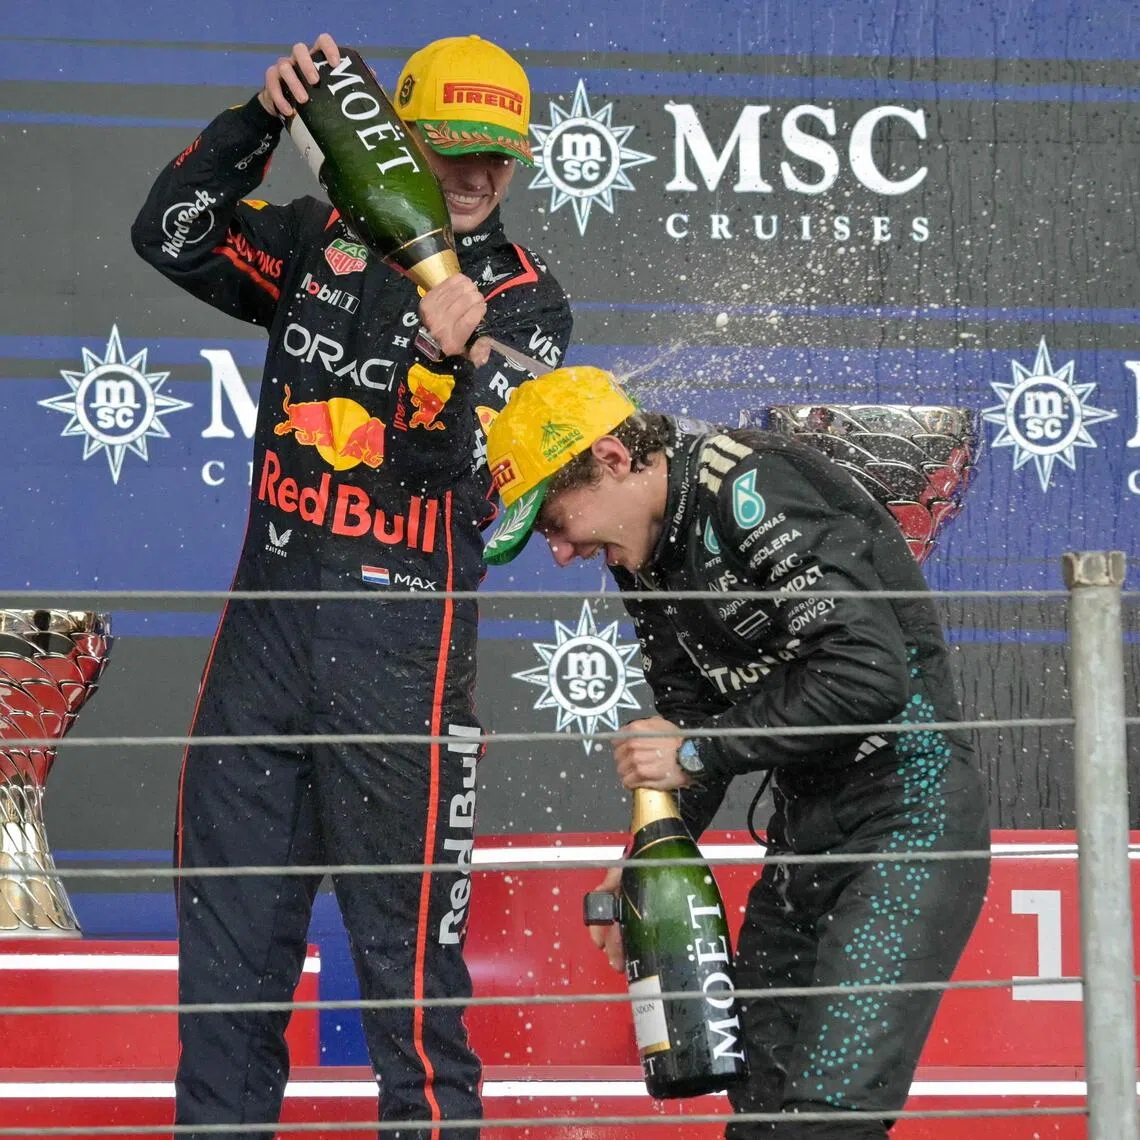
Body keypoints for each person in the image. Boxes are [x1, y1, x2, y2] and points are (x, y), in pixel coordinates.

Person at [131, 32, 571, 1140]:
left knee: (413, 1006)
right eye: (453, 149)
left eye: (498, 156)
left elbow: (458, 479)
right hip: (263, 656)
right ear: (397, 141)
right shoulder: (313, 237)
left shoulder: (524, 304)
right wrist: (256, 123)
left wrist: (442, 359)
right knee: (226, 994)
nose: (477, 175)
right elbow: (169, 234)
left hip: (405, 673)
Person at [480, 366, 990, 1139]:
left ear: (613, 458)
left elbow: (867, 673)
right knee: (761, 1113)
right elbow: (691, 715)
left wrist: (696, 750)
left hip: (909, 825)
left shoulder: (750, 485)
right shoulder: (641, 553)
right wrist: (646, 856)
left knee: (826, 1123)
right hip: (805, 834)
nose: (559, 551)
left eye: (554, 520)